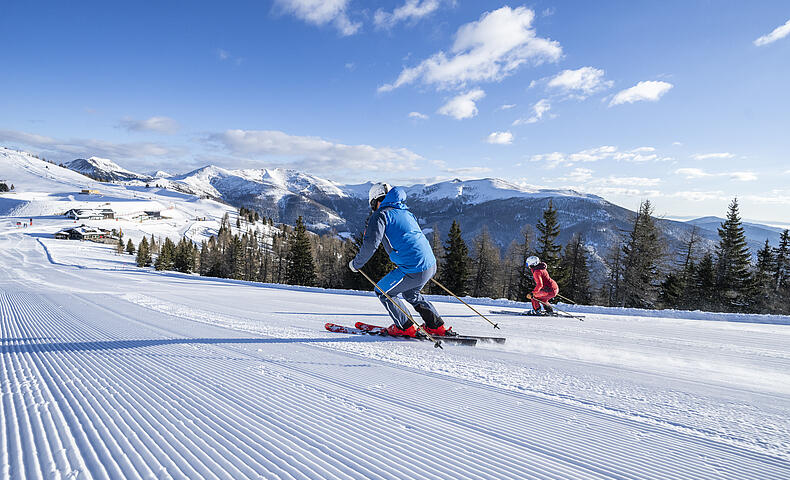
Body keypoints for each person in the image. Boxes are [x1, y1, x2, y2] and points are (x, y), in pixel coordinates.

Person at [349, 183, 449, 337]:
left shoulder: (381, 215)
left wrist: (356, 264)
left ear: (375, 201)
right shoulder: (405, 212)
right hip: (429, 264)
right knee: (411, 294)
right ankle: (435, 326)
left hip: (413, 268)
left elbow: (370, 244)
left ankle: (405, 327)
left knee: (383, 291)